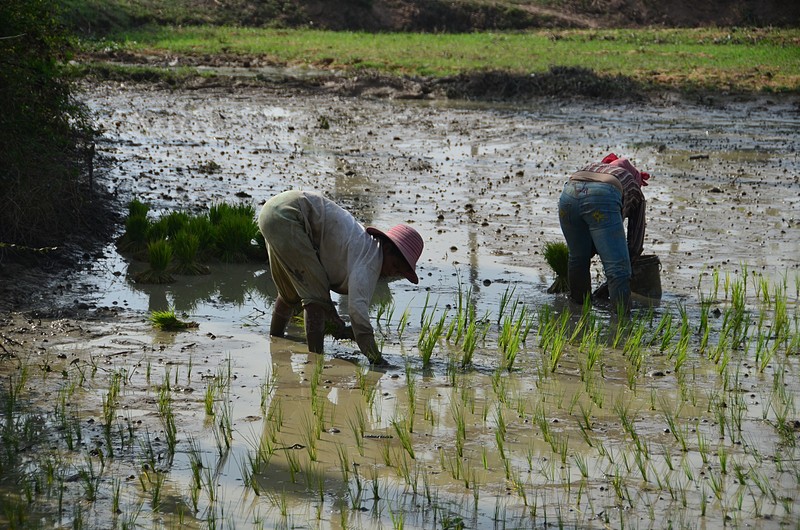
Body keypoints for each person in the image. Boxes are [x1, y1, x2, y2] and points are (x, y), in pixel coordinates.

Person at [258, 190, 424, 364]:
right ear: (388, 249)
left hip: (272, 211)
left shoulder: (363, 242)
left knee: (289, 293)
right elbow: (356, 311)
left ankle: (275, 342)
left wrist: (336, 321)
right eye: (395, 266)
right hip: (291, 217)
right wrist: (375, 358)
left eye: (398, 273)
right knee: (315, 301)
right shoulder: (371, 260)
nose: (392, 273)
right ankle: (315, 363)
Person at [558, 153, 650, 314]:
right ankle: (621, 323)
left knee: (578, 258)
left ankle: (576, 314)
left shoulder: (594, 166)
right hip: (603, 195)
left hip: (568, 193)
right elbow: (635, 245)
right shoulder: (634, 188)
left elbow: (590, 240)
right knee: (618, 269)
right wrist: (610, 285)